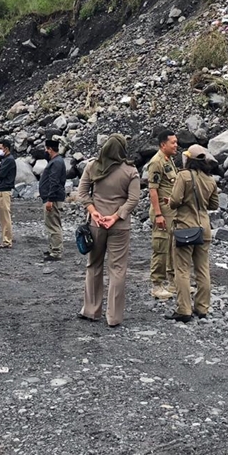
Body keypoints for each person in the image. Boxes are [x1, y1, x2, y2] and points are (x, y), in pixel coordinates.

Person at [77, 134, 139, 327]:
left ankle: (91, 311)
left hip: (96, 225)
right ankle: (113, 317)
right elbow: (134, 199)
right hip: (119, 226)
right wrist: (116, 216)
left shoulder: (92, 166)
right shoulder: (131, 171)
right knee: (118, 269)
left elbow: (82, 193)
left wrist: (94, 213)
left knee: (94, 265)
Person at [166, 144, 219, 323]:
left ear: (189, 159)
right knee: (203, 270)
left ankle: (184, 309)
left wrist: (171, 201)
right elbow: (214, 205)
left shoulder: (184, 175)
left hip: (185, 228)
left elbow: (175, 201)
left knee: (182, 270)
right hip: (204, 230)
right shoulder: (210, 179)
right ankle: (202, 307)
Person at [146, 130, 179, 300]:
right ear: (162, 145)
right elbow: (153, 190)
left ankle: (173, 283)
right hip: (162, 213)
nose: (176, 145)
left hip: (172, 213)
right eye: (172, 142)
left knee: (173, 247)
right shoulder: (156, 162)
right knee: (160, 247)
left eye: (176, 142)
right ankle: (157, 285)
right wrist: (158, 214)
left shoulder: (169, 160)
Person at [39, 139, 67, 261]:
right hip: (52, 198)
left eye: (46, 149)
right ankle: (52, 248)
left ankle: (56, 252)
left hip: (53, 199)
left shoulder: (56, 162)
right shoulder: (56, 161)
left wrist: (50, 199)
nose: (45, 151)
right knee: (51, 224)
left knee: (53, 225)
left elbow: (54, 181)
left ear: (50, 149)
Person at [0, 139, 16, 248]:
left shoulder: (8, 160)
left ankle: (7, 240)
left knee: (5, 216)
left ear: (6, 148)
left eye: (0, 148)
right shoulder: (6, 159)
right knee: (3, 216)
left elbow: (0, 174)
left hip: (4, 190)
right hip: (3, 189)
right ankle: (5, 239)